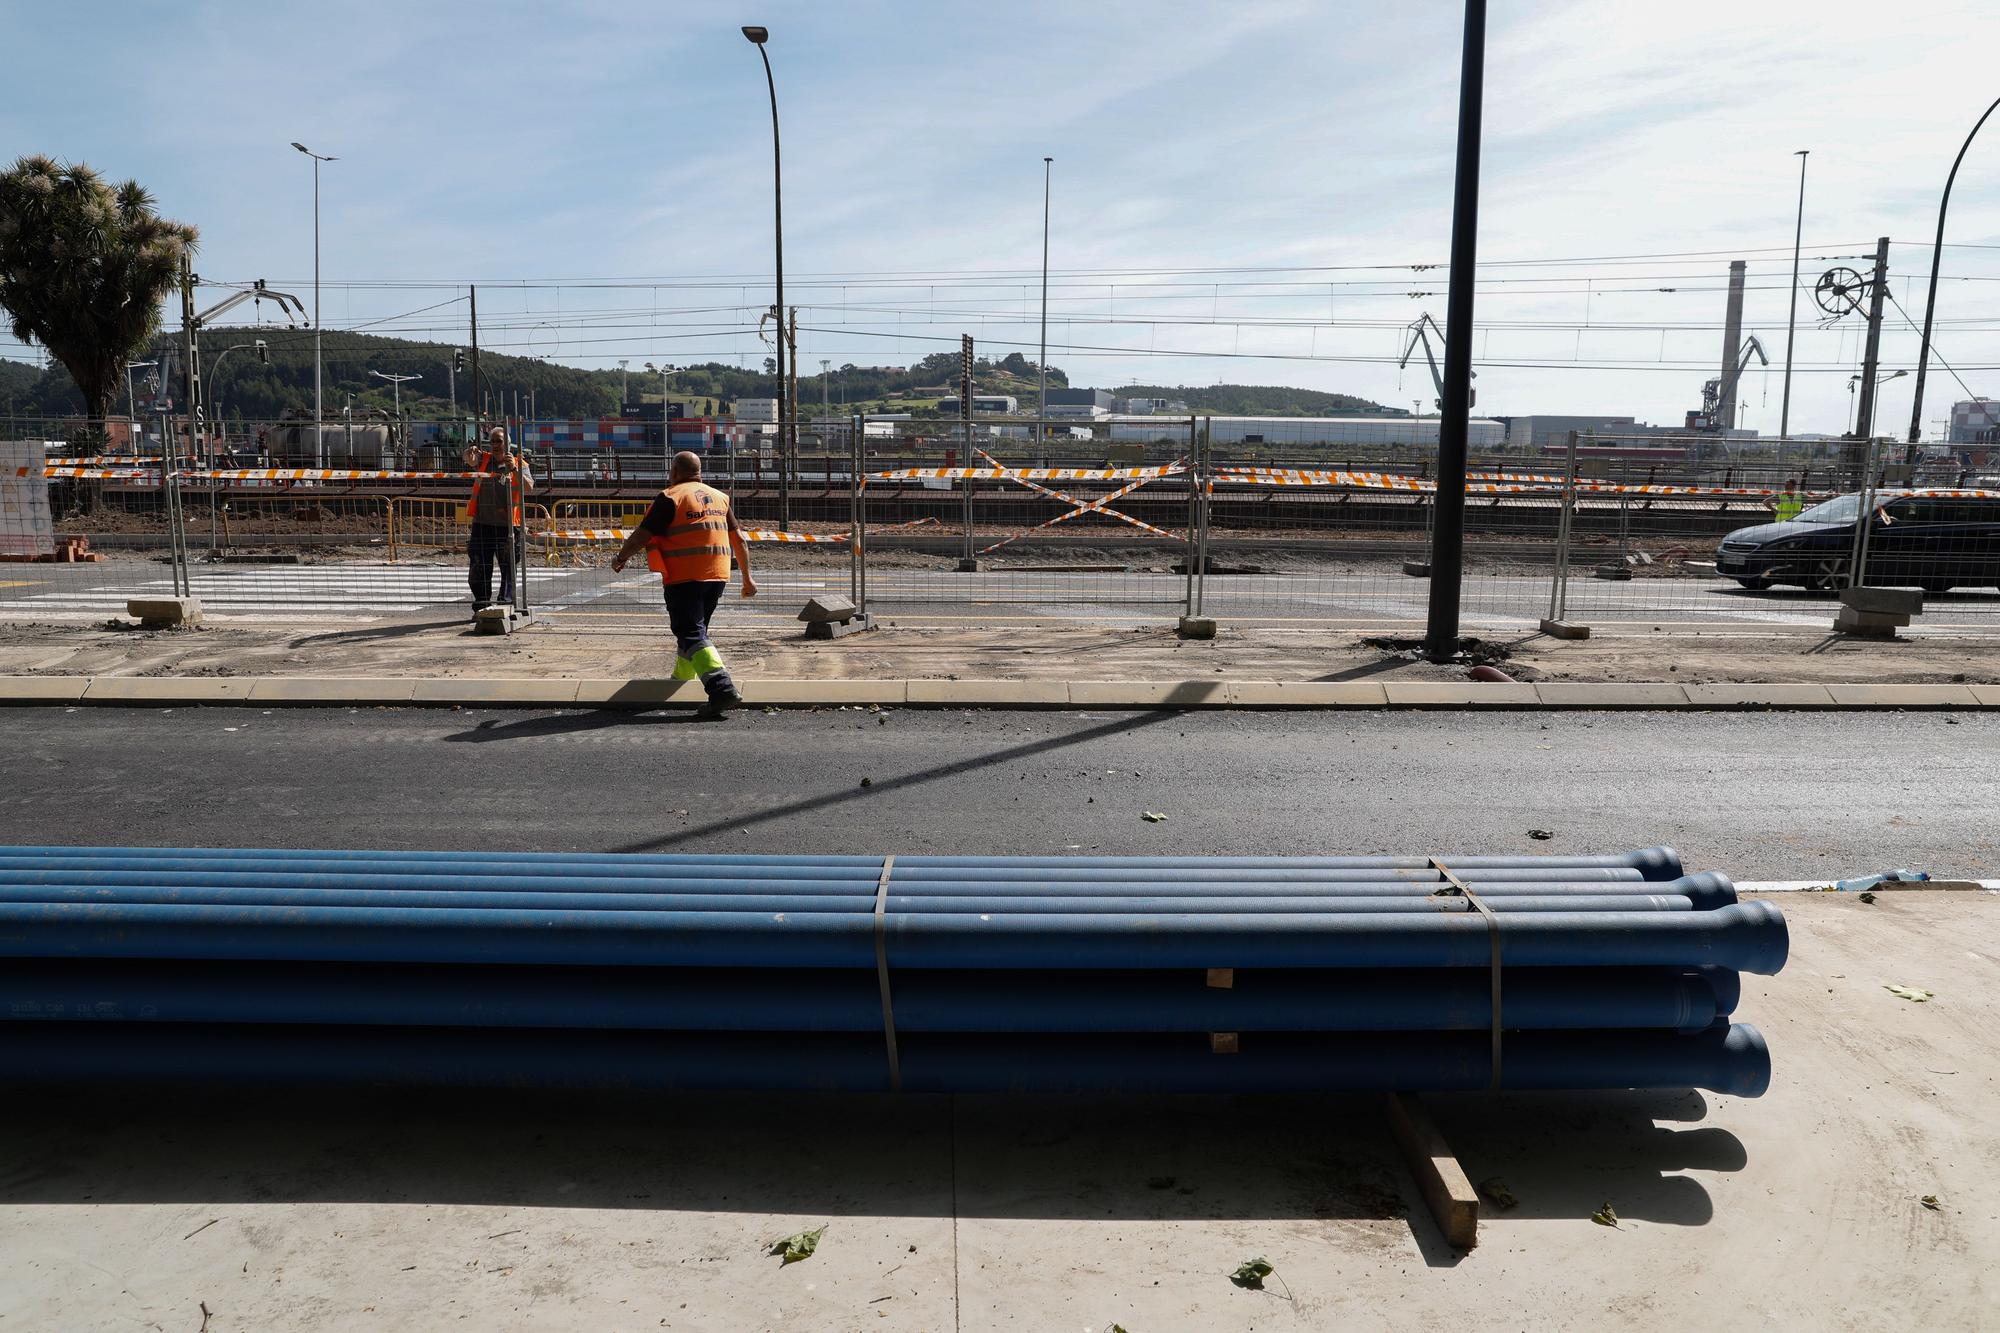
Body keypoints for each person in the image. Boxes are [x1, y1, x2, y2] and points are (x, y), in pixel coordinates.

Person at [611, 451, 758, 717]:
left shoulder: (671, 497)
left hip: (684, 576)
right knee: (696, 631)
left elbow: (642, 534)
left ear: (675, 471)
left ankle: (721, 688)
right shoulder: (720, 497)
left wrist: (621, 556)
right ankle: (681, 678)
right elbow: (740, 540)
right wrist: (747, 577)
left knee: (689, 630)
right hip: (717, 575)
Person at [465, 427, 534, 616]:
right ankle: (482, 607)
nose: (495, 445)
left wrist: (514, 469)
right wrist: (468, 455)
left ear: (507, 443)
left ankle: (505, 604)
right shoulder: (484, 460)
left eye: (499, 441)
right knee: (479, 568)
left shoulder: (520, 463)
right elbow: (470, 460)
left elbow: (529, 487)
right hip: (482, 523)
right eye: (492, 441)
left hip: (508, 526)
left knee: (508, 568)